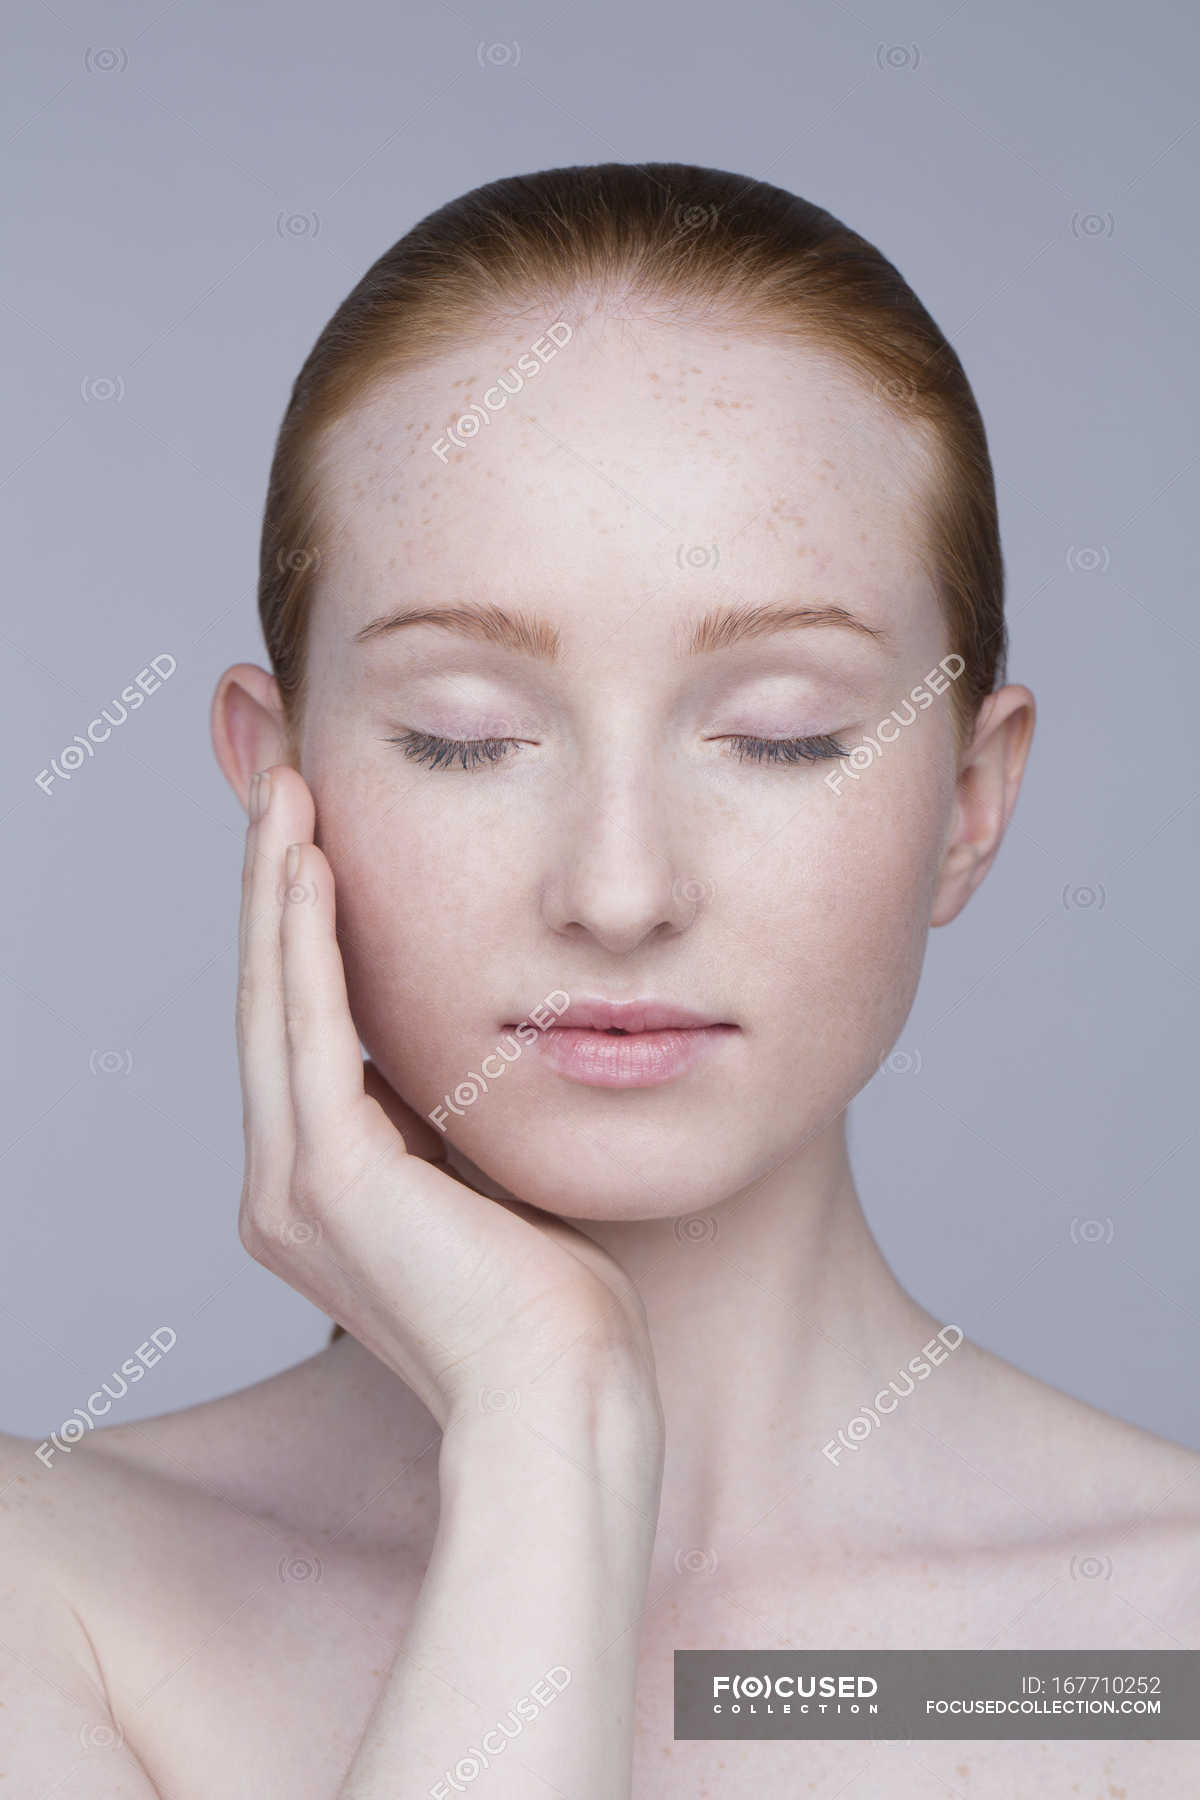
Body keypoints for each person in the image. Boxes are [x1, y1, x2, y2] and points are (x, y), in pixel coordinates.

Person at [3, 161, 1197, 1799]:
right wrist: (541, 1418)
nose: (621, 890)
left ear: (970, 805)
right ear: (277, 782)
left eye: (784, 736)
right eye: (465, 737)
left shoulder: (1156, 1660)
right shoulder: (51, 1600)